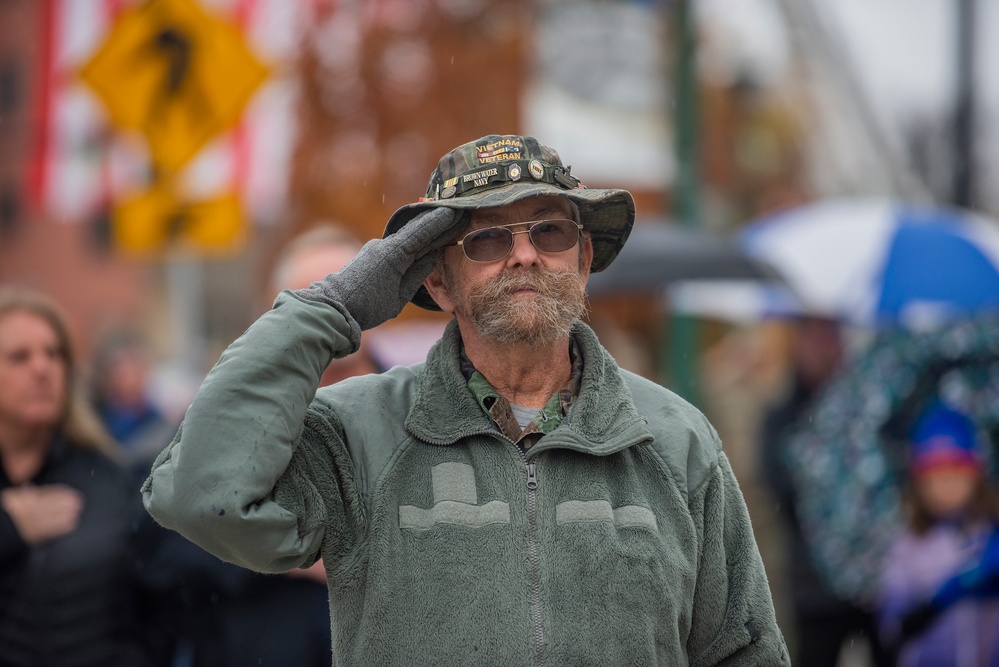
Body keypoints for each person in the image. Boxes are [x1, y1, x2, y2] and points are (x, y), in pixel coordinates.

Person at [143, 134, 789, 665]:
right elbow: (196, 495)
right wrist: (331, 305)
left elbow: (744, 650)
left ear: (584, 259)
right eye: (486, 239)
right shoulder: (360, 432)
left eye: (550, 231)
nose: (525, 254)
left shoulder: (673, 437)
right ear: (437, 279)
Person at [0, 287, 162, 666]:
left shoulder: (109, 479)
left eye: (54, 354)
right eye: (19, 357)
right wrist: (8, 528)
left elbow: (156, 604)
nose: (42, 368)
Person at [759, 315, 891, 666]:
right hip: (812, 584)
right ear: (798, 345)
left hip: (874, 579)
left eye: (832, 339)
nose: (826, 350)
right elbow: (783, 488)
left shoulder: (871, 410)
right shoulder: (781, 416)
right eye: (816, 340)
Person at [877, 401, 999, 666]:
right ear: (919, 483)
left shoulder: (989, 533)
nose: (947, 486)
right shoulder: (910, 545)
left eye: (957, 474)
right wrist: (928, 607)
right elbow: (892, 625)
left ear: (976, 476)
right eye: (936, 476)